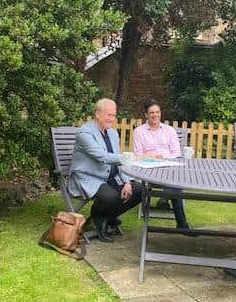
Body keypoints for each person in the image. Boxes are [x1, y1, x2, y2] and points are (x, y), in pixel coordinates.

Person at [68, 98, 142, 242]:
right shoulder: (85, 133)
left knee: (139, 190)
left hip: (109, 177)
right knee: (113, 196)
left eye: (113, 115)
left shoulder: (113, 133)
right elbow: (102, 156)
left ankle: (105, 216)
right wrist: (129, 157)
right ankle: (100, 216)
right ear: (97, 114)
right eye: (108, 114)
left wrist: (127, 181)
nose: (111, 119)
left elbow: (117, 161)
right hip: (88, 178)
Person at [133, 99, 190, 230]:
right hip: (149, 167)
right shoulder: (139, 132)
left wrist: (163, 157)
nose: (155, 115)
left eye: (157, 112)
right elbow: (138, 154)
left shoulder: (169, 131)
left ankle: (176, 216)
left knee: (175, 184)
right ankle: (178, 219)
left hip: (168, 165)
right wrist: (151, 158)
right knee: (175, 187)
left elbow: (176, 152)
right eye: (152, 112)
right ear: (146, 114)